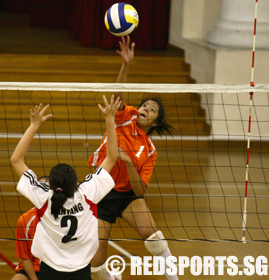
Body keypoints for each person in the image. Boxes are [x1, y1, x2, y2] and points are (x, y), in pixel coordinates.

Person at [88, 36, 177, 280]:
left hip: (127, 194)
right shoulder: (125, 116)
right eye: (145, 105)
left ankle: (174, 278)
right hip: (101, 190)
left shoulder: (149, 150)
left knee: (154, 237)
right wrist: (126, 65)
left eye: (152, 109)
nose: (145, 109)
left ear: (155, 122)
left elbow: (139, 191)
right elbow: (118, 95)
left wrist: (128, 164)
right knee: (96, 263)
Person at [10, 95, 122, 280]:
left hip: (50, 270)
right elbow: (111, 157)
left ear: (51, 186)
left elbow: (16, 160)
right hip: (80, 270)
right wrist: (110, 119)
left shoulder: (43, 197)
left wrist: (34, 125)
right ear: (76, 184)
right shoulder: (87, 193)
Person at [12, 207, 41, 280]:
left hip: (55, 267)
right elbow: (25, 257)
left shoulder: (63, 220)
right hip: (33, 268)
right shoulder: (25, 220)